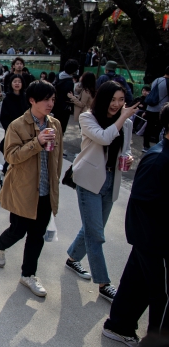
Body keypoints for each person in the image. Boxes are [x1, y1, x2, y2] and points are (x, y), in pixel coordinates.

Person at [101, 104, 169, 346]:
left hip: (150, 240)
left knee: (136, 284)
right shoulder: (159, 160)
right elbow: (144, 205)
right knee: (164, 296)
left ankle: (119, 326)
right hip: (156, 241)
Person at [65, 81, 137, 304]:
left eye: (121, 100)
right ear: (103, 98)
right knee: (96, 234)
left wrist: (129, 158)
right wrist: (122, 118)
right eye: (113, 99)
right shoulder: (88, 118)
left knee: (93, 227)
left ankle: (73, 257)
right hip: (88, 180)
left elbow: (124, 150)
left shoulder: (126, 124)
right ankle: (104, 283)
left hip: (111, 180)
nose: (117, 105)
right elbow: (104, 137)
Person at [0, 80, 63, 298]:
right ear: (32, 100)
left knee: (37, 234)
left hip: (45, 190)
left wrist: (55, 182)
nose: (50, 103)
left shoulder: (55, 124)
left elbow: (58, 158)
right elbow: (11, 156)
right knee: (18, 231)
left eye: (52, 99)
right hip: (24, 189)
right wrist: (37, 142)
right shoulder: (17, 126)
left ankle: (28, 274)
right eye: (45, 99)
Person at [142, 66, 169, 152]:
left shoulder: (156, 80)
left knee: (148, 127)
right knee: (159, 129)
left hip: (150, 107)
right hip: (160, 109)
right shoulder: (167, 82)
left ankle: (145, 146)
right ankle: (158, 146)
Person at [53, 59, 80, 133]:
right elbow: (69, 96)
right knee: (61, 128)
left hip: (55, 104)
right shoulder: (69, 82)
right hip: (64, 108)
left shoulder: (58, 75)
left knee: (54, 125)